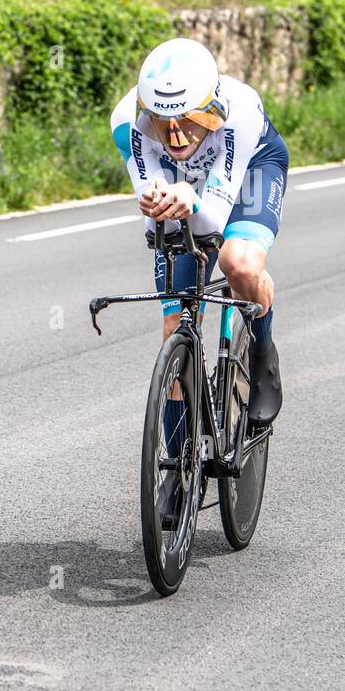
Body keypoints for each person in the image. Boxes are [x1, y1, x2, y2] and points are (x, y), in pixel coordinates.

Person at [110, 38, 287, 431]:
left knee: (237, 263)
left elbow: (211, 227)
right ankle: (175, 472)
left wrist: (191, 199)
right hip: (184, 184)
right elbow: (160, 230)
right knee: (176, 322)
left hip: (251, 169)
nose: (175, 136)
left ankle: (261, 355)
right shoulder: (128, 125)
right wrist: (165, 207)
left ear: (211, 109)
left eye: (188, 121)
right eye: (162, 123)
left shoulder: (240, 111)